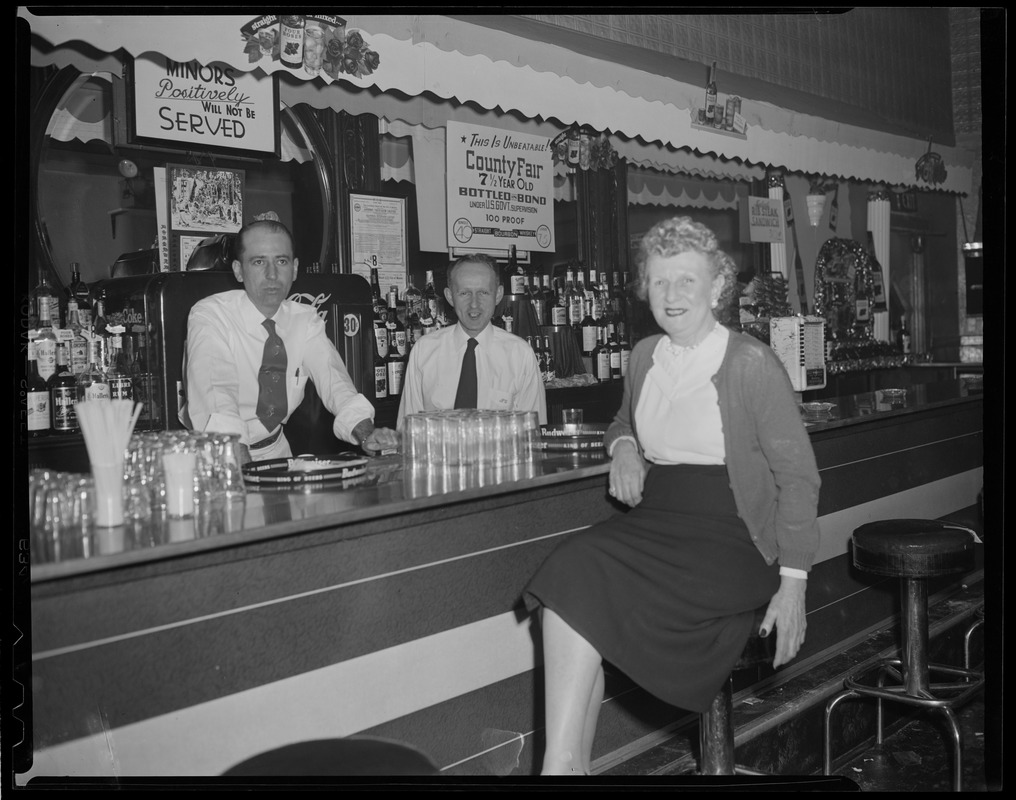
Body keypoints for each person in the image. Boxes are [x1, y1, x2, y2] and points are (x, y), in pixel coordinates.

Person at [523, 217, 821, 776]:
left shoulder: (751, 363)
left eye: (687, 281)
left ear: (716, 288)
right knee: (571, 572)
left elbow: (799, 479)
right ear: (646, 292)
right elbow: (619, 421)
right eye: (660, 282)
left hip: (733, 539)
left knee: (584, 572)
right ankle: (563, 767)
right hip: (657, 524)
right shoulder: (643, 357)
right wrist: (626, 447)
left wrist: (794, 585)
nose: (673, 295)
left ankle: (560, 771)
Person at [181, 218, 399, 464]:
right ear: (238, 270)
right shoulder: (210, 315)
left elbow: (335, 382)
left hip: (276, 451)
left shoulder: (305, 319)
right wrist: (243, 469)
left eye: (281, 261)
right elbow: (218, 395)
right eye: (259, 261)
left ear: (294, 269)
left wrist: (367, 435)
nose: (272, 274)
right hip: (217, 455)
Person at [396, 253, 547, 426]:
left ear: (498, 295)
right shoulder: (424, 351)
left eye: (483, 292)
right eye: (464, 293)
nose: (474, 304)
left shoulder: (520, 355)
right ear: (450, 296)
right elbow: (407, 431)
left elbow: (533, 435)